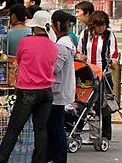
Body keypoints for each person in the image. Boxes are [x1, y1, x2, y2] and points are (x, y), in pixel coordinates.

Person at [0, 9, 57, 163]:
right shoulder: (53, 45)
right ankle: (39, 160)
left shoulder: (26, 42)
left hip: (27, 91)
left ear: (34, 26)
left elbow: (19, 60)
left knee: (14, 129)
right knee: (40, 130)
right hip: (46, 92)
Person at [76, 10, 119, 141]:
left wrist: (113, 61)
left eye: (104, 25)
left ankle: (105, 135)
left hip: (104, 74)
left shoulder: (109, 35)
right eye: (99, 25)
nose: (102, 28)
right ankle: (77, 130)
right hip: (87, 74)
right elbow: (78, 51)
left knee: (103, 105)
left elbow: (114, 53)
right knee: (84, 104)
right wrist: (79, 56)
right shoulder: (85, 34)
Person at [48, 10, 76, 163]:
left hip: (58, 92)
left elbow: (55, 69)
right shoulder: (66, 43)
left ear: (57, 24)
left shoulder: (62, 46)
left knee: (56, 127)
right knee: (56, 126)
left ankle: (58, 158)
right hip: (62, 90)